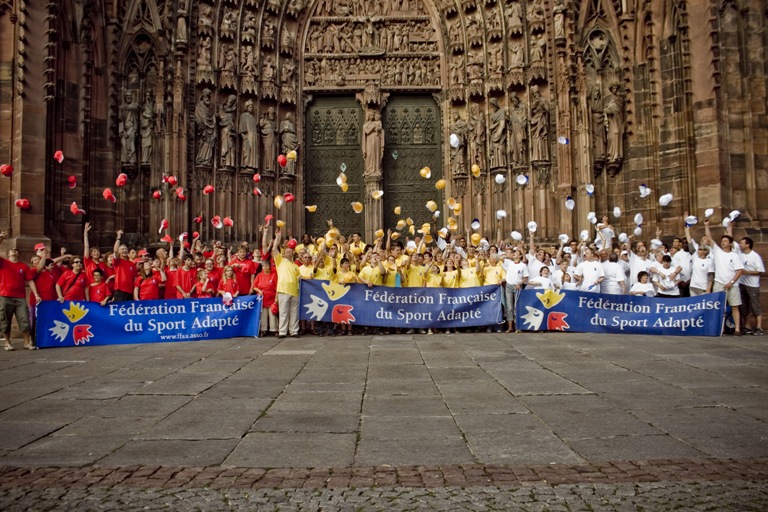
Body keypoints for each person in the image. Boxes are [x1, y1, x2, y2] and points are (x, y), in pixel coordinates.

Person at [0, 230, 40, 350]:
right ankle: (7, 343)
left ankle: (27, 342)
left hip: (20, 297)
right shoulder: (3, 263)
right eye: (11, 250)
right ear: (8, 254)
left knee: (24, 319)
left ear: (18, 255)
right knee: (4, 320)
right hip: (5, 295)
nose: (13, 251)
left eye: (15, 250)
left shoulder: (23, 266)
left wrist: (36, 294)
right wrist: (0, 238)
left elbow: (30, 281)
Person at [705, 218, 744, 335]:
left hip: (733, 284)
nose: (723, 243)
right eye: (722, 241)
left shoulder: (734, 255)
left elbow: (739, 271)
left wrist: (731, 282)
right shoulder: (717, 251)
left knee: (735, 306)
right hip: (719, 283)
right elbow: (709, 239)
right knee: (719, 308)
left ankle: (737, 328)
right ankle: (720, 328)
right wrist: (706, 225)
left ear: (730, 243)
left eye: (726, 241)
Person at [273, 228, 300, 338]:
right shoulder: (280, 261)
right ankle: (282, 332)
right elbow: (274, 249)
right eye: (286, 251)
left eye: (290, 251)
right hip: (283, 290)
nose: (288, 252)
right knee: (283, 312)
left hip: (294, 291)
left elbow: (299, 277)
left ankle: (294, 331)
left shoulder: (296, 266)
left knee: (294, 313)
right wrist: (278, 237)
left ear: (293, 252)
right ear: (283, 253)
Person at [737, 237, 764, 335]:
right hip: (742, 284)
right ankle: (747, 326)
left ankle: (759, 327)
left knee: (755, 306)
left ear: (748, 245)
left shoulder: (755, 256)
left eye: (742, 243)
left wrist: (747, 272)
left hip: (752, 285)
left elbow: (759, 271)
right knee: (744, 307)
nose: (740, 245)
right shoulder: (740, 254)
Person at [501, 247, 527, 332]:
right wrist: (507, 256)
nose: (513, 254)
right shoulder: (509, 263)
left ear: (519, 255)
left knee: (517, 306)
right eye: (513, 253)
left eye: (515, 253)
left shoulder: (523, 265)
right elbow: (500, 258)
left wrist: (520, 283)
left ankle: (518, 326)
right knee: (509, 307)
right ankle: (510, 327)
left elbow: (526, 277)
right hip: (509, 285)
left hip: (517, 286)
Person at [253, 259, 278, 337]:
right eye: (263, 266)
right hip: (262, 298)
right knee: (263, 314)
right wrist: (259, 291)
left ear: (270, 266)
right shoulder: (259, 275)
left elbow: (277, 287)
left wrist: (276, 299)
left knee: (272, 314)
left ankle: (274, 329)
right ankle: (263, 330)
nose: (265, 267)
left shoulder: (274, 274)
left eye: (266, 266)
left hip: (272, 297)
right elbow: (254, 286)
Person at [111, 230, 137, 302]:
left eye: (125, 249)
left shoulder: (132, 264)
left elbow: (135, 279)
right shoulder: (117, 261)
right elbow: (115, 251)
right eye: (122, 249)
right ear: (119, 251)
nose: (124, 250)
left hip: (130, 291)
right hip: (120, 290)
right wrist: (118, 238)